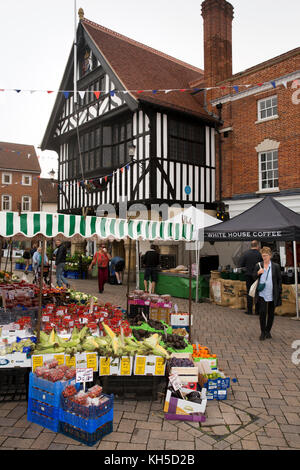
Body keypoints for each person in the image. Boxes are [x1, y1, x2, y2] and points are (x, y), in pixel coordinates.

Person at [253, 246, 282, 341]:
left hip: (272, 293)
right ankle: (262, 332)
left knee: (271, 313)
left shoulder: (275, 266)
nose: (264, 257)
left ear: (270, 256)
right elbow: (253, 277)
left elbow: (279, 280)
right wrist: (258, 273)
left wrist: (279, 293)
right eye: (263, 255)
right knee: (262, 312)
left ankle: (268, 331)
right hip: (262, 293)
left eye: (266, 256)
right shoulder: (258, 265)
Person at [239, 240, 263, 315]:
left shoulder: (245, 254)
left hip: (248, 275)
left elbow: (241, 264)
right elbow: (263, 265)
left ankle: (249, 310)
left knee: (249, 292)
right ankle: (257, 310)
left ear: (251, 245)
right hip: (257, 276)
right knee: (257, 293)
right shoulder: (260, 254)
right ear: (257, 246)